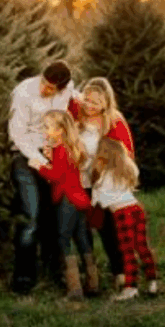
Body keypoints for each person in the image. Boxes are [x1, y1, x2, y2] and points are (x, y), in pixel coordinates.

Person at [8, 60, 80, 294]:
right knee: (31, 216)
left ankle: (53, 271)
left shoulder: (66, 90)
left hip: (54, 155)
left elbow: (76, 96)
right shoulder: (23, 92)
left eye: (51, 88)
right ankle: (23, 280)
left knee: (54, 216)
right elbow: (17, 133)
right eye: (44, 84)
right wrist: (38, 161)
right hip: (26, 156)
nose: (45, 90)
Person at [69, 77, 134, 290]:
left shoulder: (115, 122)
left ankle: (121, 272)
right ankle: (91, 275)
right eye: (86, 100)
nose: (89, 106)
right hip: (79, 182)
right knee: (83, 229)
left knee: (109, 228)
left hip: (103, 183)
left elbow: (126, 156)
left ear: (106, 103)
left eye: (95, 102)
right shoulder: (76, 115)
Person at [29, 110, 98, 300]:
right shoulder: (70, 148)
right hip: (80, 199)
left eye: (47, 127)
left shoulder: (61, 149)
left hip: (67, 199)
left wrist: (39, 166)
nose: (45, 130)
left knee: (64, 239)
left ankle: (74, 289)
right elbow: (65, 171)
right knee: (82, 239)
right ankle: (93, 284)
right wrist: (51, 159)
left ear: (60, 130)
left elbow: (56, 176)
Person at [90, 137, 158, 301]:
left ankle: (131, 288)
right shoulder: (128, 169)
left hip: (122, 213)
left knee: (127, 251)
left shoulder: (105, 176)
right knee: (142, 246)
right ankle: (152, 282)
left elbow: (101, 201)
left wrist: (95, 184)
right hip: (136, 209)